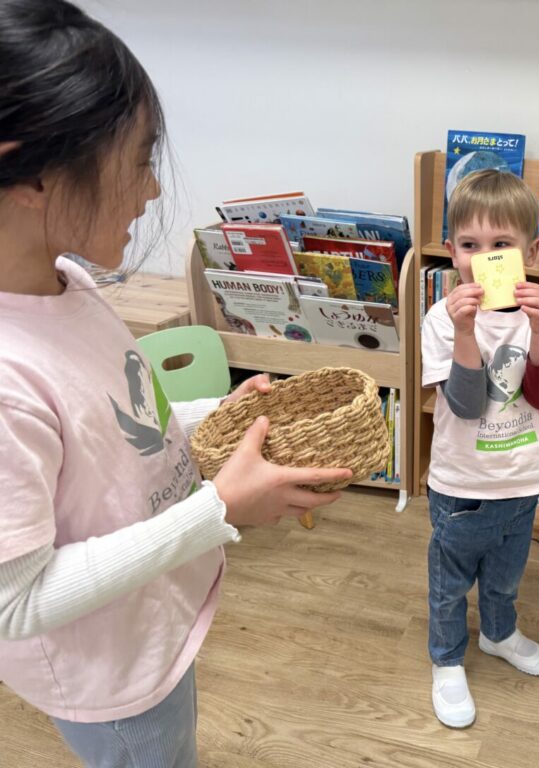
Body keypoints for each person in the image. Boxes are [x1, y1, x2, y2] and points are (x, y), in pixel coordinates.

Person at [0, 1, 350, 765]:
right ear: (30, 172)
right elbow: (15, 601)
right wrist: (218, 509)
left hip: (148, 626)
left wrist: (211, 416)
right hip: (109, 676)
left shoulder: (68, 282)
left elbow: (118, 422)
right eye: (137, 160)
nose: (153, 191)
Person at [421, 169, 539, 728]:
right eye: (469, 245)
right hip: (462, 484)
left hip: (524, 478)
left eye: (501, 245)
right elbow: (465, 405)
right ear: (451, 252)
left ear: (528, 253)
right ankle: (446, 660)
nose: (483, 258)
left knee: (506, 576)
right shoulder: (442, 319)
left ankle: (499, 633)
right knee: (450, 584)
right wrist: (466, 332)